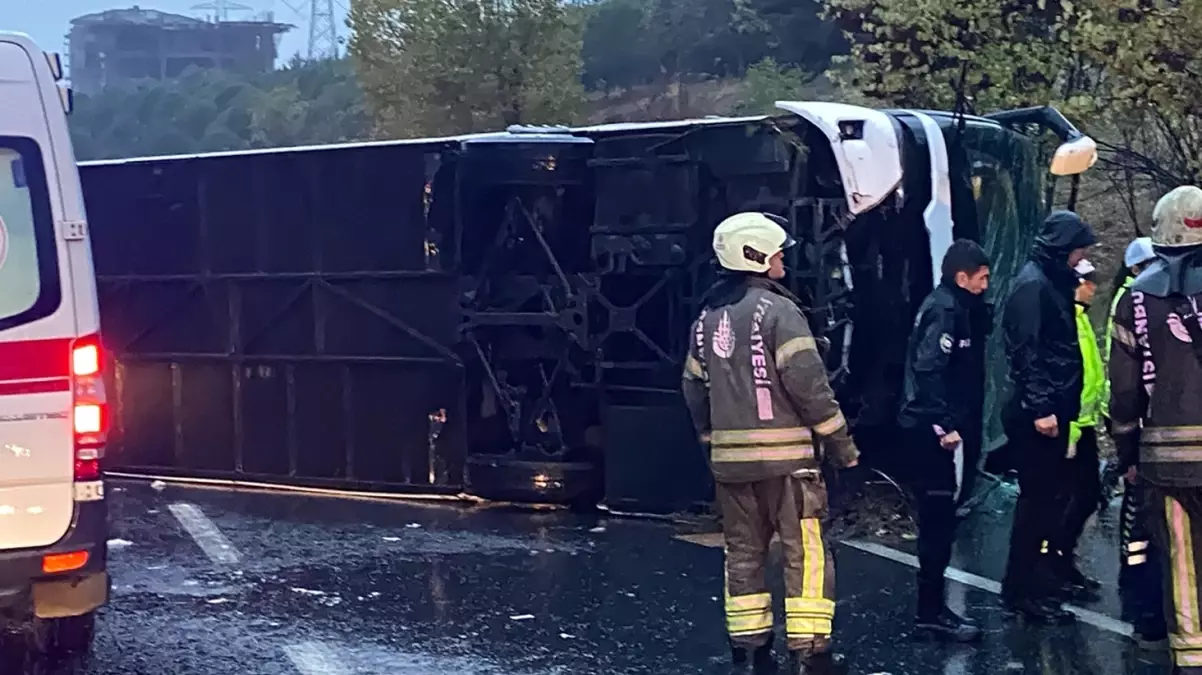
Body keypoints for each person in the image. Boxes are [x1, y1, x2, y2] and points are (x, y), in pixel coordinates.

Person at [681, 211, 860, 675]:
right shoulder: (780, 312)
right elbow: (810, 386)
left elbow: (693, 388)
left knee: (743, 553)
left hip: (731, 469)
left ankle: (750, 651)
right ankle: (811, 653)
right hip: (789, 466)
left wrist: (711, 439)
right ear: (755, 255)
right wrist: (841, 445)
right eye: (776, 250)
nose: (783, 256)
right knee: (806, 551)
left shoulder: (706, 319)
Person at [1109, 185, 1202, 672]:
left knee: (1182, 566)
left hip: (1165, 464)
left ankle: (1191, 659)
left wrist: (1126, 450)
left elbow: (1124, 392)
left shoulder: (1136, 298)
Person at [1000, 210, 1097, 623]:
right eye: (1079, 251)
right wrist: (1042, 407)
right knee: (1037, 504)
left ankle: (1033, 584)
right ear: (1064, 248)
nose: (1082, 259)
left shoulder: (1046, 282)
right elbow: (1027, 350)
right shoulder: (1034, 286)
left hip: (1054, 408)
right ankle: (1021, 590)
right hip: (1040, 414)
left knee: (1048, 501)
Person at [897, 239, 991, 642]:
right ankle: (930, 612)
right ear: (962, 276)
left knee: (942, 521)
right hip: (933, 436)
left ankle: (932, 607)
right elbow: (929, 370)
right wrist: (943, 425)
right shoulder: (945, 310)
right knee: (937, 522)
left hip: (941, 429)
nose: (987, 285)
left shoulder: (957, 309)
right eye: (982, 278)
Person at [1057, 258, 1104, 600]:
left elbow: (1092, 375)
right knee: (1069, 498)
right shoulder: (1066, 321)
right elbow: (1068, 379)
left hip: (1085, 425)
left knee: (1087, 495)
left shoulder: (1081, 319)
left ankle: (1062, 559)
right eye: (1087, 281)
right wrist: (1071, 432)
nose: (1093, 287)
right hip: (1072, 428)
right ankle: (1055, 564)